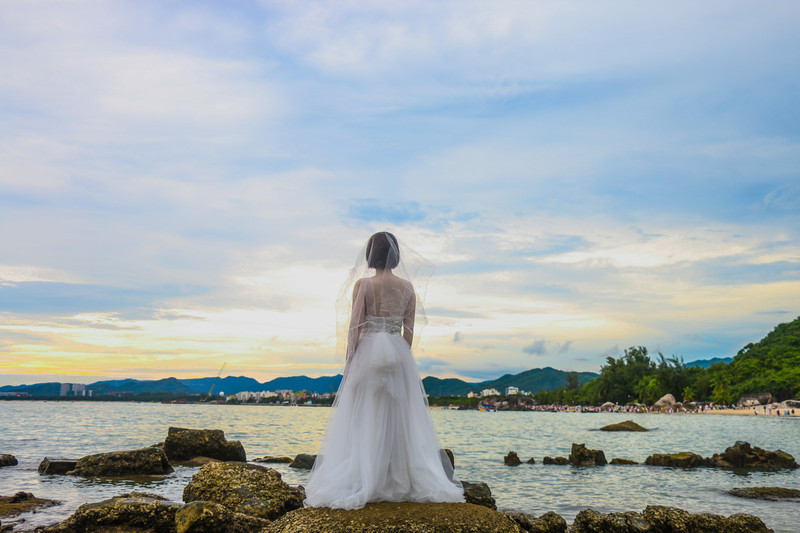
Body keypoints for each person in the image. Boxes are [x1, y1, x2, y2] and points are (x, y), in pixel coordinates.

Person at [303, 232, 464, 510]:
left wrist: (350, 361)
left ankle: (368, 475)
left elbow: (354, 328)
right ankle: (398, 477)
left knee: (366, 414)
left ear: (370, 255)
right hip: (398, 355)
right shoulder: (407, 288)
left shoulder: (363, 285)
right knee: (401, 417)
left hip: (368, 353)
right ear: (395, 254)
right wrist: (401, 355)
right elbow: (409, 331)